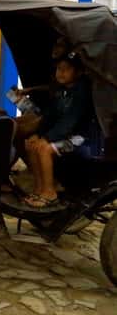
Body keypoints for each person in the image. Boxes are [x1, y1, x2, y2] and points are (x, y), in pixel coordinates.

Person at [22, 51, 101, 209]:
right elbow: (50, 117)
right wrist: (38, 134)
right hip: (65, 135)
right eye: (59, 68)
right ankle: (39, 188)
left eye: (66, 69)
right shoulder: (61, 91)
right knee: (31, 144)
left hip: (82, 138)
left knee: (45, 148)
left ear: (78, 72)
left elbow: (69, 122)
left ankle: (50, 193)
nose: (61, 72)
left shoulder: (81, 92)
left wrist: (47, 138)